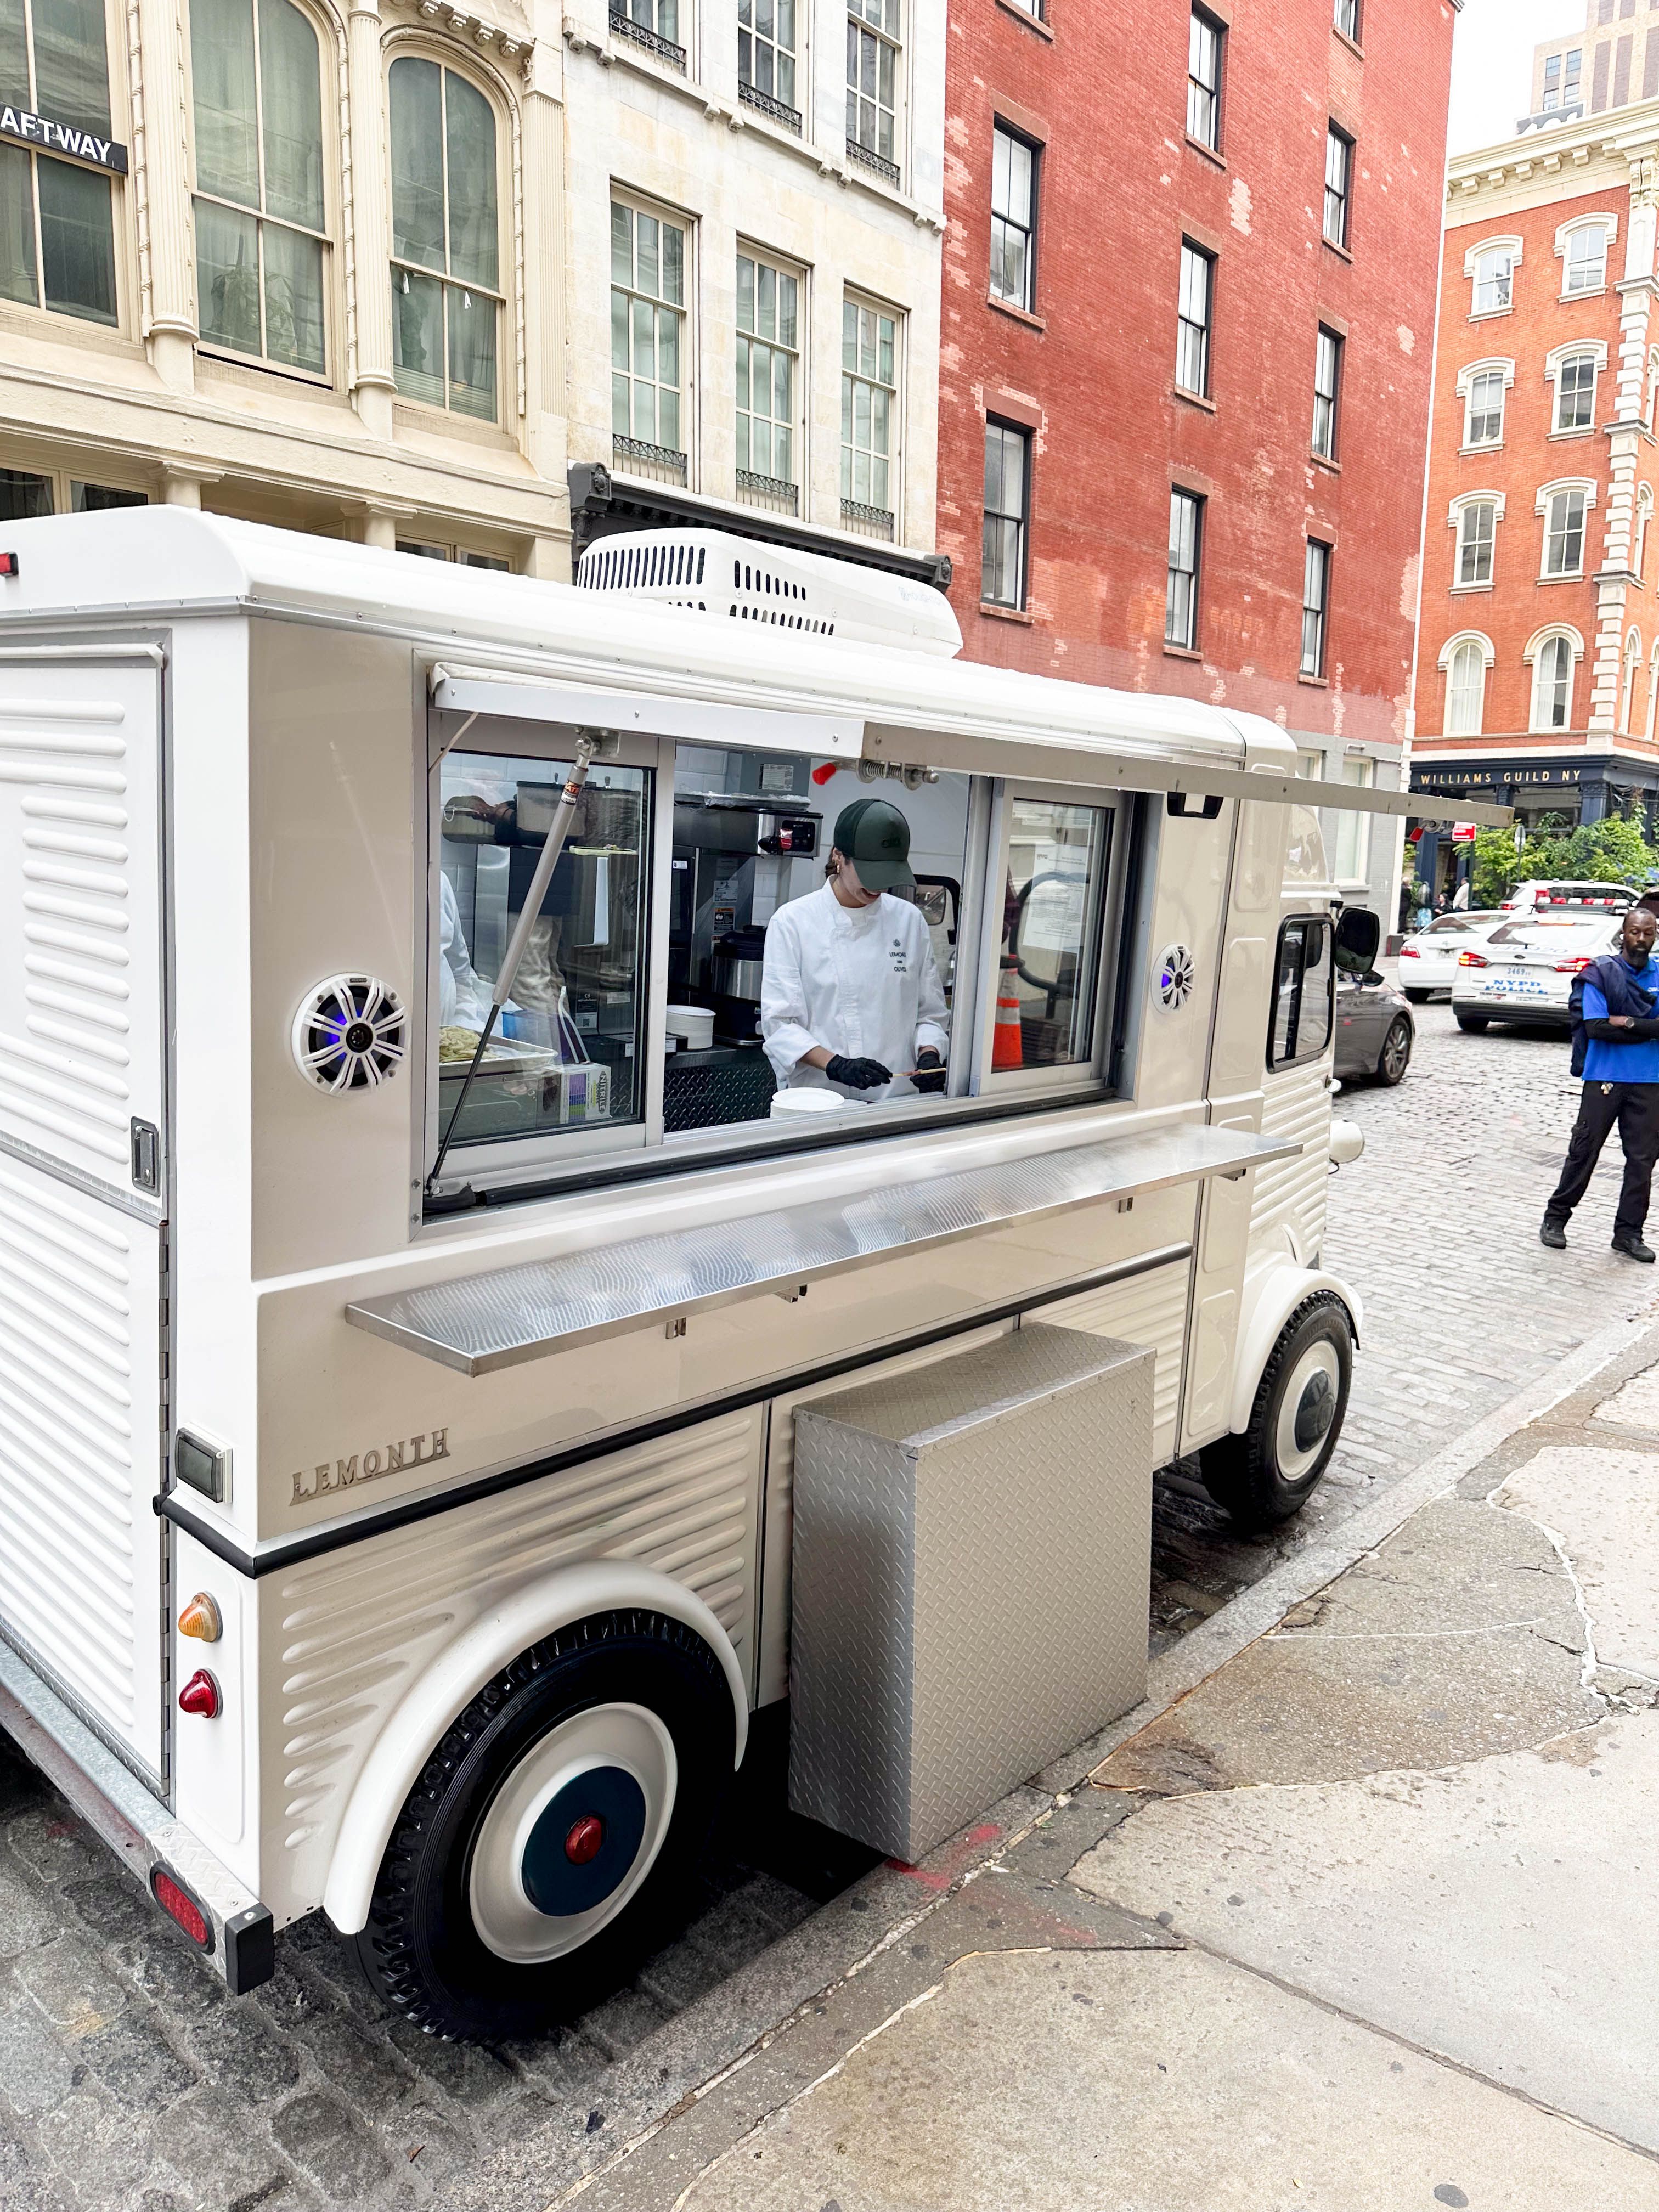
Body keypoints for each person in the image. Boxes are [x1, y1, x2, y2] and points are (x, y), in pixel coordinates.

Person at [761, 796, 949, 1102]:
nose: (878, 887)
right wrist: (836, 1064)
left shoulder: (909, 920)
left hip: (897, 1100)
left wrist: (929, 1054)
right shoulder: (793, 922)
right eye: (869, 872)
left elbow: (929, 1014)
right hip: (822, 1100)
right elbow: (781, 1025)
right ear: (839, 857)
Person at [1542, 906, 1659, 1261]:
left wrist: (1625, 1023)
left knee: (1642, 1161)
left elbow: (1617, 1026)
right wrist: (1646, 1028)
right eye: (1635, 932)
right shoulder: (1601, 974)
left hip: (1650, 1081)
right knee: (1584, 1151)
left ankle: (1628, 1234)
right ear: (1623, 934)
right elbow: (1595, 1027)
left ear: (1655, 936)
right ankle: (1555, 1219)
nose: (1641, 939)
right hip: (1604, 1078)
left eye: (1648, 933)